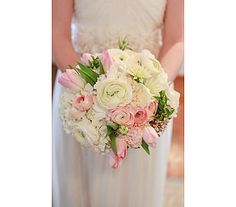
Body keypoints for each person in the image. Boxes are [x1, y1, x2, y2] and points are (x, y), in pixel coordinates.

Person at [52, 0, 183, 206]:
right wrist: (92, 94)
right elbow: (57, 34)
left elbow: (176, 40)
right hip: (80, 94)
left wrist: (151, 93)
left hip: (146, 103)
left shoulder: (149, 97)